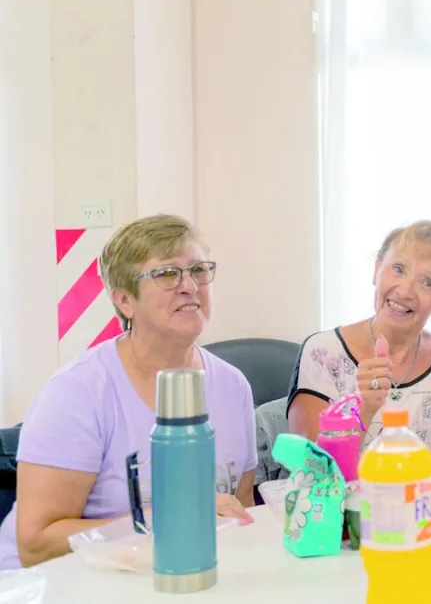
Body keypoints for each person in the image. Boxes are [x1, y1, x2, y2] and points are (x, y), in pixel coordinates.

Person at [0, 215, 257, 570]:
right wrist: (163, 520)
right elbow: (36, 544)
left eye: (198, 269)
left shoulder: (233, 386)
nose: (189, 285)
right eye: (167, 274)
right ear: (124, 301)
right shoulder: (77, 393)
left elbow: (237, 512)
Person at [287, 220, 431, 490]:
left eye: (427, 283)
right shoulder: (322, 352)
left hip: (420, 515)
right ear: (377, 270)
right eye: (398, 269)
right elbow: (313, 467)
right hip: (340, 522)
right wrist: (366, 407)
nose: (405, 290)